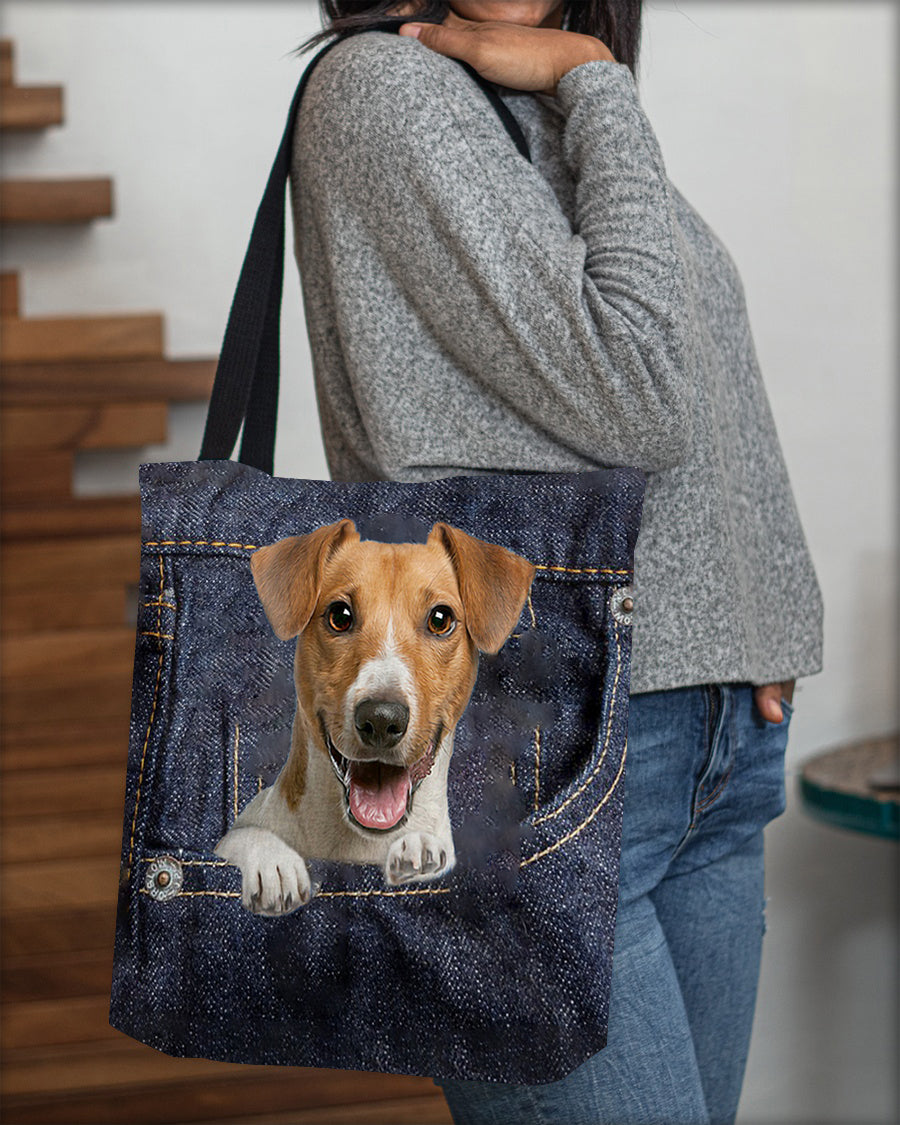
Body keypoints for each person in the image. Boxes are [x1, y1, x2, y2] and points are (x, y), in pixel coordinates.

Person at [287, 2, 824, 1122]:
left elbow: (703, 367)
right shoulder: (388, 91)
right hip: (547, 763)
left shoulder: (533, 99)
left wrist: (755, 628)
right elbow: (641, 390)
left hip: (706, 750)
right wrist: (598, 77)